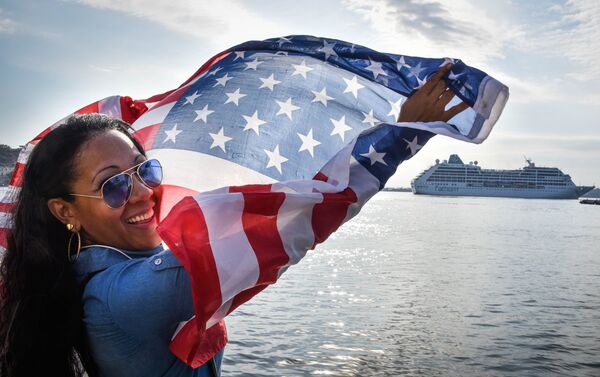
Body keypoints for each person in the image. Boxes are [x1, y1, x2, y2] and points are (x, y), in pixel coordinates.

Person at [0, 64, 464, 376]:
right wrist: (401, 134)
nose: (143, 192)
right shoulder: (127, 297)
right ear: (65, 211)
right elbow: (284, 221)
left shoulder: (79, 271)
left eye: (146, 169)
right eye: (113, 185)